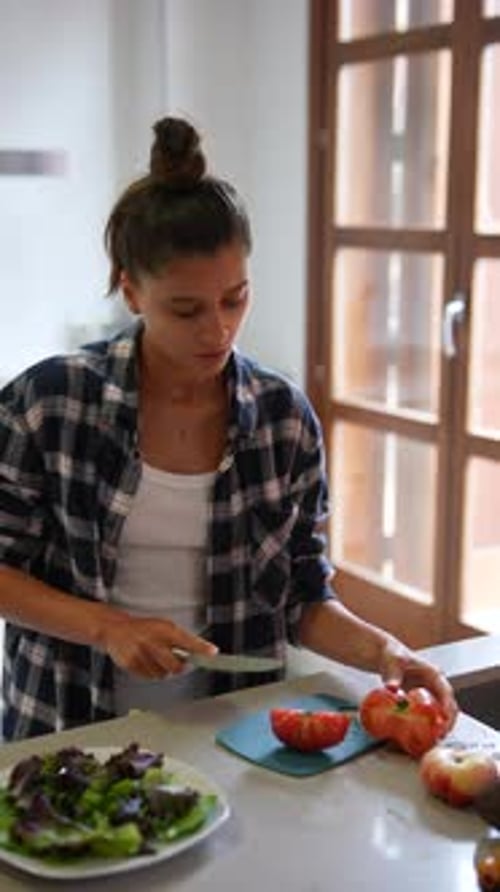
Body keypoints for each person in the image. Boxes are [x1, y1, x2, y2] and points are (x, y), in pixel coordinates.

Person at [0, 117, 457, 741]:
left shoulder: (282, 421)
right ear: (132, 292)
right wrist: (109, 626)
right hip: (66, 729)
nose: (217, 330)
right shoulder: (48, 405)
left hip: (229, 741)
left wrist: (387, 653)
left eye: (235, 299)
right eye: (185, 309)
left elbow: (303, 596)